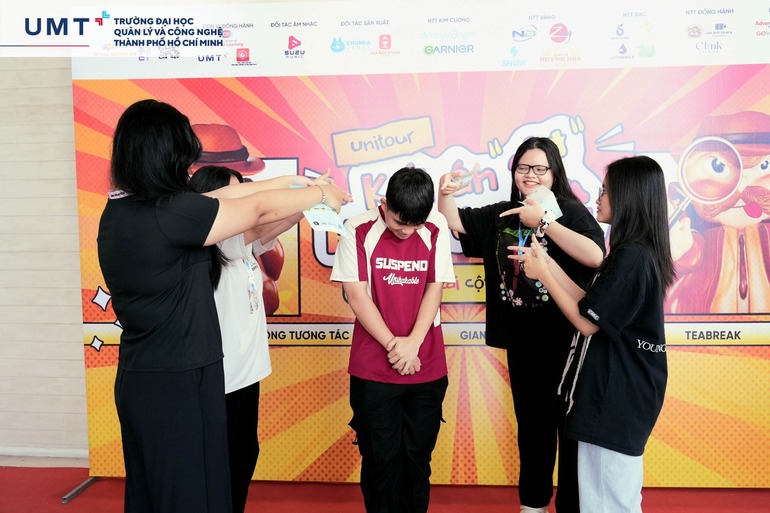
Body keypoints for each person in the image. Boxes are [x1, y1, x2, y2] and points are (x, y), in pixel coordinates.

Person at [97, 99, 349, 513]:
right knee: (190, 497)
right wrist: (321, 193)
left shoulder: (125, 209)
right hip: (179, 383)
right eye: (183, 156)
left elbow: (228, 194)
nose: (187, 166)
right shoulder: (171, 214)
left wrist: (296, 182)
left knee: (154, 495)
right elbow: (256, 207)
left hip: (146, 377)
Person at [438, 137, 605, 513]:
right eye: (523, 168)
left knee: (571, 430)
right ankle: (533, 505)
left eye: (540, 168)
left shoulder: (571, 211)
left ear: (554, 173)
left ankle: (572, 506)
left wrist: (544, 221)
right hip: (523, 344)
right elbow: (454, 221)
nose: (530, 175)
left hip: (568, 342)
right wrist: (444, 193)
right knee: (532, 430)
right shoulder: (504, 213)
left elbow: (596, 256)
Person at [509, 155, 674, 512]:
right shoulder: (629, 253)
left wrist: (545, 274)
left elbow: (586, 323)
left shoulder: (633, 257)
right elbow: (589, 304)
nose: (597, 199)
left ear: (628, 197)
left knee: (607, 502)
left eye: (605, 191)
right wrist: (548, 264)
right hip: (606, 401)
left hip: (614, 403)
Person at [331, 167, 455, 513]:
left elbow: (435, 287)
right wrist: (395, 346)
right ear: (384, 204)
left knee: (418, 458)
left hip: (426, 365)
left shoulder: (436, 226)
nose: (407, 232)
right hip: (374, 368)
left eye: (415, 225)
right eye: (400, 223)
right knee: (380, 459)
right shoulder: (357, 229)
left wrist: (413, 343)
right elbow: (356, 296)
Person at [189, 165, 307, 513]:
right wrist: (310, 193)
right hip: (220, 379)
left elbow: (278, 222)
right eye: (236, 194)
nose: (245, 201)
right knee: (222, 462)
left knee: (243, 454)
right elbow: (262, 218)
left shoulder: (240, 245)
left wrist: (313, 203)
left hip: (246, 374)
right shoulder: (212, 245)